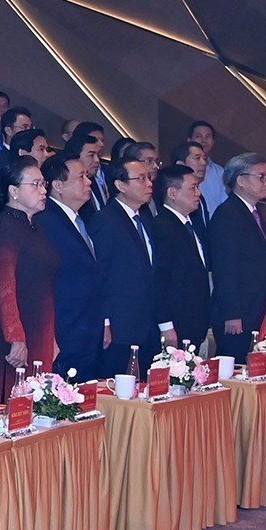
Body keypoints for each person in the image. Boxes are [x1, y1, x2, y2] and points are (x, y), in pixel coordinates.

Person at [0, 158, 60, 401]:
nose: (44, 190)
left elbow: (43, 287)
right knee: (13, 407)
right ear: (13, 191)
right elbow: (3, 286)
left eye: (43, 184)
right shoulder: (5, 228)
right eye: (35, 184)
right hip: (11, 337)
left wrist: (51, 336)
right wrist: (15, 338)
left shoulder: (34, 226)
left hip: (38, 330)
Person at [35, 151, 103, 381]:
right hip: (65, 331)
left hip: (86, 328)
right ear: (58, 185)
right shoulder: (45, 221)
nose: (89, 181)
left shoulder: (79, 218)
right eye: (81, 176)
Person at [93, 152, 160, 376]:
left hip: (147, 324)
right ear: (120, 185)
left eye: (148, 177)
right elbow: (100, 276)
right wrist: (105, 321)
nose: (149, 183)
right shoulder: (106, 220)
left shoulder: (144, 220)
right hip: (120, 327)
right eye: (140, 179)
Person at [209, 152, 266, 361]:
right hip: (239, 313)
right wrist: (232, 313)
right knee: (236, 367)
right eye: (261, 176)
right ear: (240, 180)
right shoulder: (228, 214)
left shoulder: (253, 213)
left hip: (258, 307)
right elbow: (225, 267)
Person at [149, 164, 212, 349]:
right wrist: (166, 324)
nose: (198, 193)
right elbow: (160, 279)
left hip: (193, 319)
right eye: (192, 187)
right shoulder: (162, 226)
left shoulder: (190, 224)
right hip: (176, 322)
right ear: (172, 193)